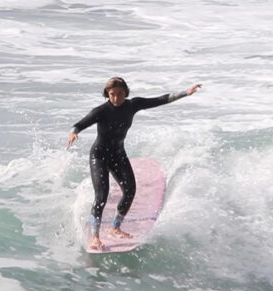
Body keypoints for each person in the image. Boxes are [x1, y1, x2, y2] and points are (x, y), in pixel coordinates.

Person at [67, 77, 202, 250]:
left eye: (120, 94)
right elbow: (79, 124)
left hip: (118, 154)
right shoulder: (100, 111)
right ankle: (95, 237)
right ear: (107, 94)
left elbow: (160, 100)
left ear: (126, 93)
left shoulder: (132, 105)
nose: (116, 98)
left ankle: (115, 228)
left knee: (130, 191)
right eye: (112, 94)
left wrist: (186, 93)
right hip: (99, 156)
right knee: (101, 196)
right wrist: (74, 132)